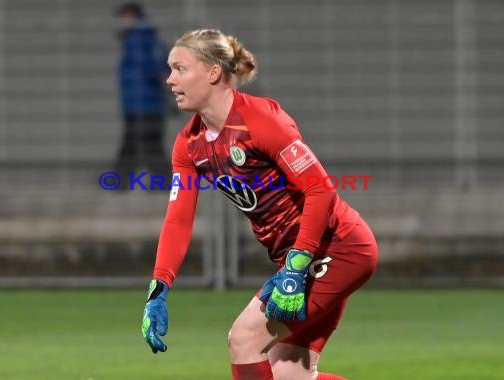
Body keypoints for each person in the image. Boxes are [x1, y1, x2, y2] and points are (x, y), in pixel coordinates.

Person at [141, 29, 379, 380]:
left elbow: (321, 191)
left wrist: (297, 267)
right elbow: (178, 220)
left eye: (179, 68)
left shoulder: (261, 120)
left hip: (336, 248)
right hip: (303, 259)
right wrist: (158, 289)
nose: (169, 79)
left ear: (212, 72)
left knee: (244, 338)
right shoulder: (189, 145)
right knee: (288, 375)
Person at [113, 2, 170, 187]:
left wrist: (163, 78)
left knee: (144, 144)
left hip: (143, 102)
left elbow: (154, 66)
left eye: (123, 16)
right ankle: (160, 183)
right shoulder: (144, 37)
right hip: (141, 102)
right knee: (144, 144)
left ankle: (120, 183)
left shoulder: (139, 38)